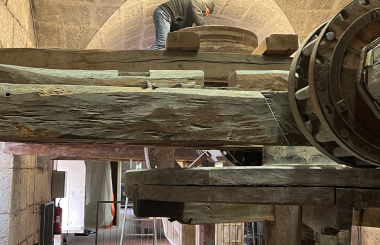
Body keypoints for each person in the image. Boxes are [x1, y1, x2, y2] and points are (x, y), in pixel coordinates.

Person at [150, 0, 215, 50]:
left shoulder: (190, 12)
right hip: (164, 14)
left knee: (168, 44)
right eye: (208, 12)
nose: (207, 15)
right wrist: (205, 33)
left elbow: (184, 30)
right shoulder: (196, 2)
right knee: (162, 43)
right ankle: (147, 61)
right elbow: (199, 20)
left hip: (166, 16)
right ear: (206, 5)